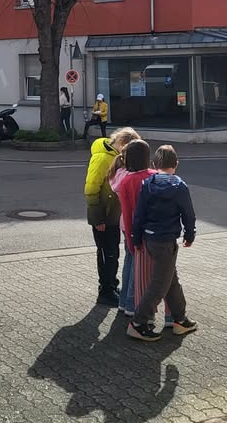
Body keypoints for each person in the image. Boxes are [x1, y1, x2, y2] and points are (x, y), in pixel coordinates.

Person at [129, 144, 198, 341]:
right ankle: (139, 322)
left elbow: (139, 214)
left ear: (154, 164)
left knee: (170, 280)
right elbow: (188, 214)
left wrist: (136, 238)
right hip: (166, 240)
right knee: (159, 284)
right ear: (176, 164)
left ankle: (180, 319)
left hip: (150, 238)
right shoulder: (179, 186)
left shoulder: (147, 184)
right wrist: (190, 234)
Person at [84, 127, 140, 306]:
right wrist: (98, 218)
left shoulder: (118, 157)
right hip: (104, 217)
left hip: (114, 216)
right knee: (107, 253)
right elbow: (91, 188)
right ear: (123, 144)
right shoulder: (102, 158)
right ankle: (105, 291)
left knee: (112, 253)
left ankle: (111, 285)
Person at [109, 139, 155, 317]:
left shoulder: (121, 175)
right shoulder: (148, 177)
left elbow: (126, 211)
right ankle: (132, 304)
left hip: (125, 224)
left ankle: (123, 302)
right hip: (141, 227)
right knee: (138, 266)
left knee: (129, 261)